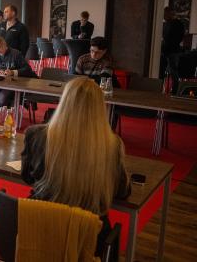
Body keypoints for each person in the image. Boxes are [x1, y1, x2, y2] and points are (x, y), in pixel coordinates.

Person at [21, 77, 130, 257]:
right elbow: (122, 191)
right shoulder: (113, 145)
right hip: (90, 236)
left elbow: (28, 177)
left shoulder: (36, 135)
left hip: (39, 224)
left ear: (64, 101)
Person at [0, 35, 37, 108]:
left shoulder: (16, 54)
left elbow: (27, 69)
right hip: (3, 83)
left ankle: (3, 110)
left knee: (2, 97)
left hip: (17, 84)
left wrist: (13, 72)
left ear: (4, 45)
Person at [160, 6, 185, 76]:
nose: (164, 16)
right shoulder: (165, 24)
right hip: (165, 50)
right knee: (162, 70)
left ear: (170, 13)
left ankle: (175, 87)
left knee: (173, 71)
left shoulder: (178, 24)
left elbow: (179, 37)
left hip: (173, 51)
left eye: (165, 14)